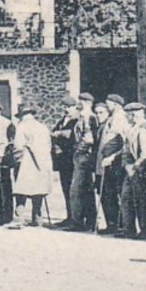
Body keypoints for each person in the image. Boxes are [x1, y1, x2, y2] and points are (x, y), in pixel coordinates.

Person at [9, 102, 55, 229]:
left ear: (21, 116)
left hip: (26, 164)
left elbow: (18, 147)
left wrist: (17, 161)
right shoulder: (43, 127)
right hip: (42, 163)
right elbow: (49, 146)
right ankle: (37, 219)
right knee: (38, 192)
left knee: (21, 192)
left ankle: (19, 219)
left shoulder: (22, 127)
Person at [94, 94, 131, 234]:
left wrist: (113, 157)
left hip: (114, 163)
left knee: (113, 193)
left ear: (115, 104)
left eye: (108, 103)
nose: (107, 105)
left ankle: (118, 224)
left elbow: (125, 142)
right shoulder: (113, 118)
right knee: (107, 193)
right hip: (105, 163)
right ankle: (112, 223)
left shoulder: (120, 119)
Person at [116, 101, 146, 239]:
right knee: (126, 198)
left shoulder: (144, 128)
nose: (126, 118)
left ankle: (144, 230)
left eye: (128, 115)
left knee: (141, 200)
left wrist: (136, 166)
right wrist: (126, 165)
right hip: (129, 169)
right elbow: (126, 149)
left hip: (139, 170)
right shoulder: (132, 128)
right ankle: (128, 229)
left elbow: (145, 153)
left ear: (133, 115)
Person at [66, 93, 99, 230]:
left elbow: (89, 139)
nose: (79, 103)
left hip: (83, 157)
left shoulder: (87, 117)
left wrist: (78, 151)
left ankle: (78, 222)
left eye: (81, 101)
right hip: (83, 157)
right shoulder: (83, 116)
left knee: (76, 190)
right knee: (85, 190)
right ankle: (88, 221)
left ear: (87, 102)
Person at [49, 93, 81, 217]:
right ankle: (70, 216)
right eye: (64, 107)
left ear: (75, 107)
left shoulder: (77, 120)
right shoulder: (63, 120)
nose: (66, 109)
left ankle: (77, 217)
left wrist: (58, 134)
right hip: (62, 161)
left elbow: (72, 134)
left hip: (72, 159)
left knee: (74, 190)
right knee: (65, 189)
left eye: (69, 107)